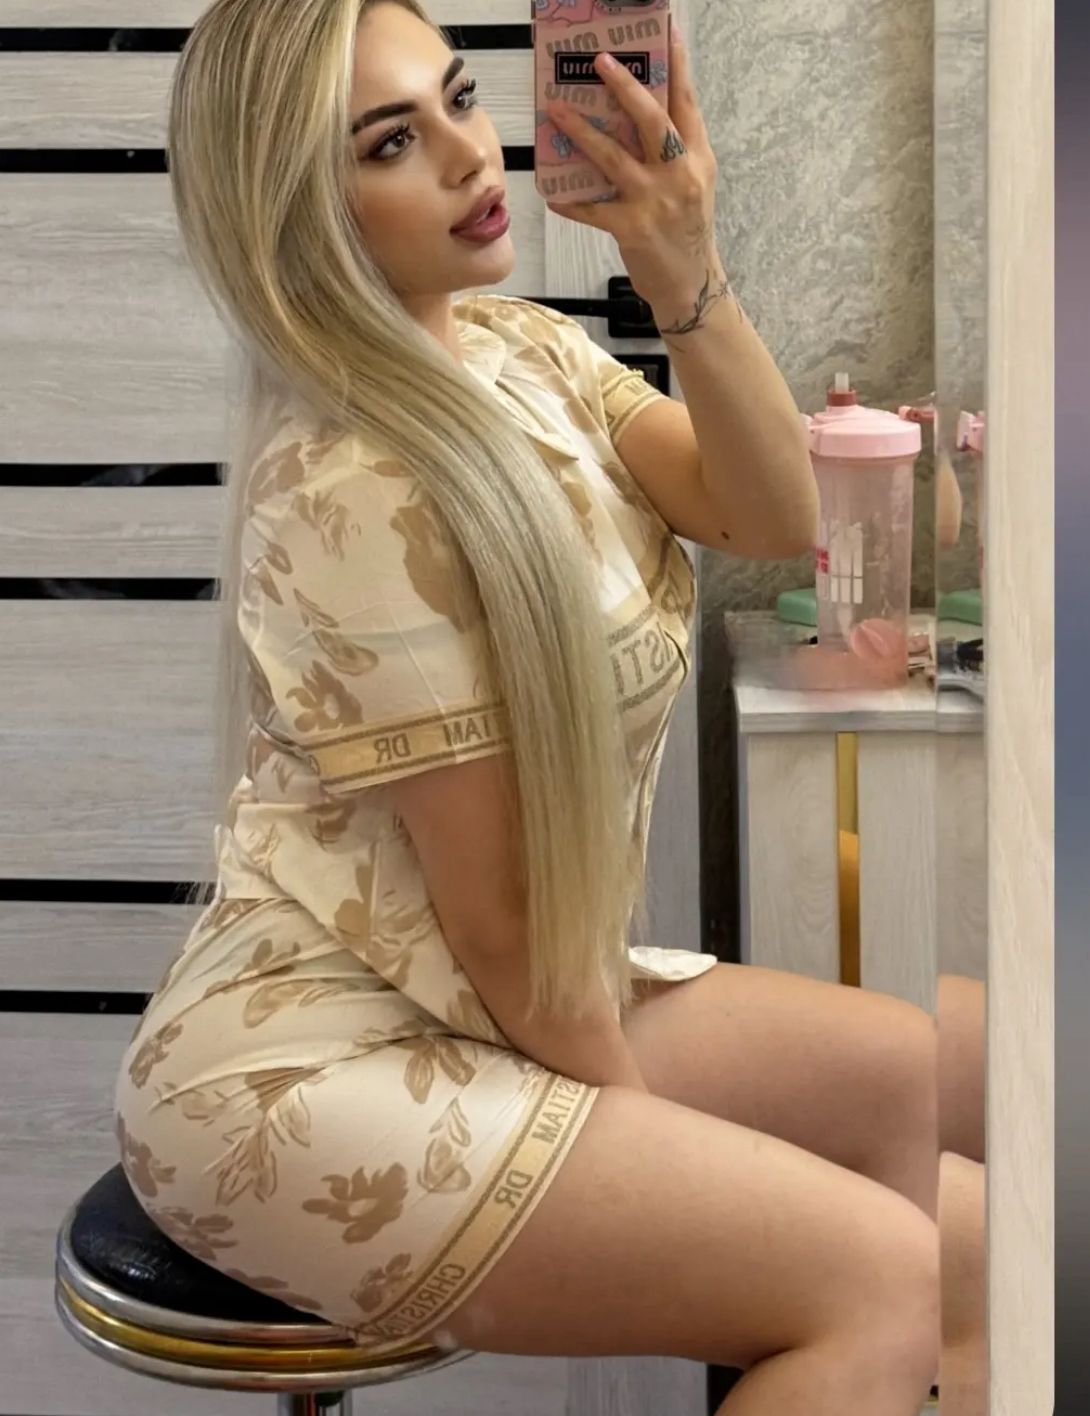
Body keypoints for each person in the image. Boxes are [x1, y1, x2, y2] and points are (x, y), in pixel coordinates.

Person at [112, 3, 987, 1412]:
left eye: (459, 100)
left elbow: (775, 516)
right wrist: (681, 1176)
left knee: (933, 1128)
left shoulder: (521, 352)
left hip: (486, 993)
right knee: (886, 1276)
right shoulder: (345, 486)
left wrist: (682, 265)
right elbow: (509, 933)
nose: (470, 155)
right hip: (313, 1059)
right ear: (296, 214)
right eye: (390, 144)